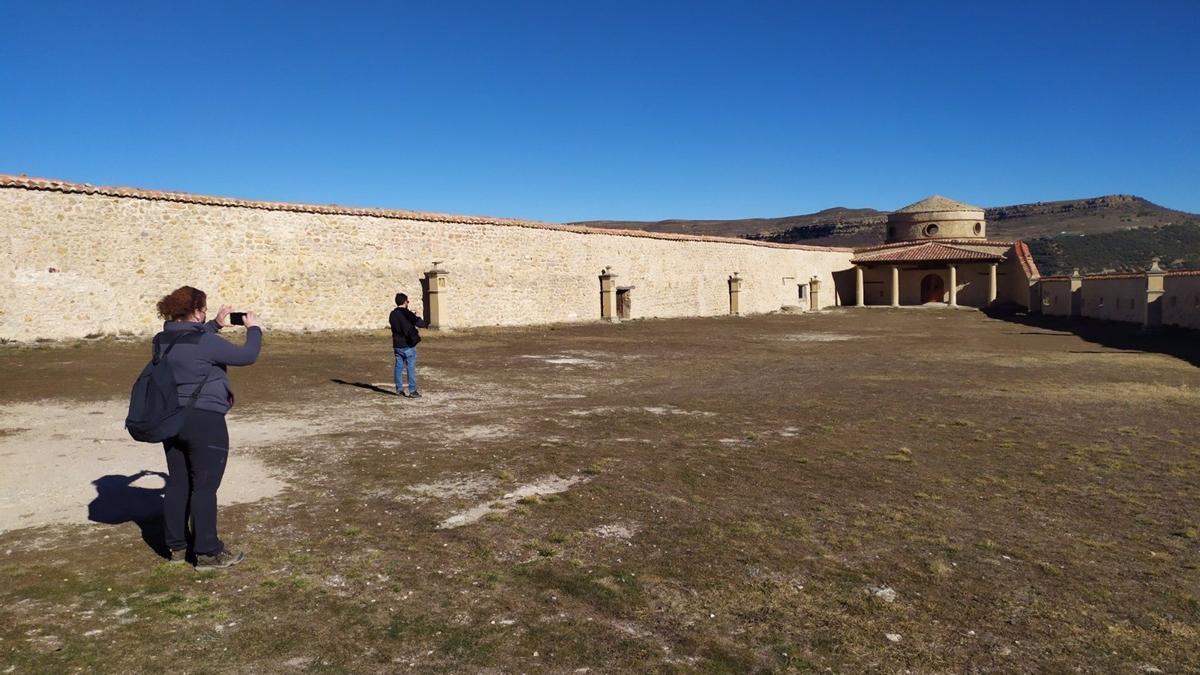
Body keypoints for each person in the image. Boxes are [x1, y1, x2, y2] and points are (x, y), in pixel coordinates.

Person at [154, 286, 262, 571]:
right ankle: (207, 552)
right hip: (205, 420)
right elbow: (247, 356)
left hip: (171, 418)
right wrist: (254, 329)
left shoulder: (162, 340)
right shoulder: (205, 343)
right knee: (204, 487)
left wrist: (214, 325)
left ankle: (176, 547)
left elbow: (190, 345)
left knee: (178, 482)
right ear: (198, 311)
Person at [389, 292, 429, 398]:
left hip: (397, 344)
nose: (408, 303)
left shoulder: (392, 314)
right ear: (404, 302)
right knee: (410, 367)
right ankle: (412, 390)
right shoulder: (408, 314)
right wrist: (418, 316)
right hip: (408, 344)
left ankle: (399, 389)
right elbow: (422, 324)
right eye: (407, 301)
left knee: (398, 366)